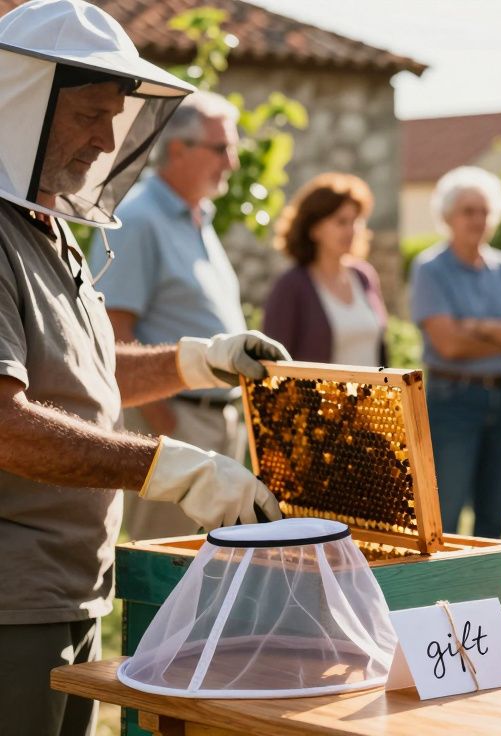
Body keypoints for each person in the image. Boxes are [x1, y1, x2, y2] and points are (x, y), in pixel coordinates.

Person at [0, 2, 288, 733]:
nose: (107, 139)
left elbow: (85, 374)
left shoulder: (48, 227)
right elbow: (5, 425)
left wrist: (199, 361)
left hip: (69, 589)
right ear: (23, 105)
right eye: (89, 115)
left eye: (115, 117)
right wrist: (171, 469)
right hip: (11, 603)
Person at [90, 90, 250, 541]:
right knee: (171, 564)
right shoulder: (139, 218)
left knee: (218, 563)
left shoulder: (198, 216)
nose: (232, 162)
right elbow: (113, 330)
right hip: (177, 423)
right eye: (222, 148)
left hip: (216, 420)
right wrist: (164, 423)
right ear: (178, 149)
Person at [409, 166, 501, 540]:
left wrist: (477, 326)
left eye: (485, 211)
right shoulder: (430, 269)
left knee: (494, 516)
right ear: (448, 217)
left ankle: (489, 582)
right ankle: (445, 581)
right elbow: (448, 344)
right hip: (453, 398)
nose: (478, 220)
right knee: (446, 514)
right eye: (468, 211)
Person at [263, 172, 389, 366]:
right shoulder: (291, 286)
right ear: (314, 229)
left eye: (356, 221)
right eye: (341, 222)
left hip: (372, 387)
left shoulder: (363, 276)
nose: (351, 230)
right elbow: (273, 362)